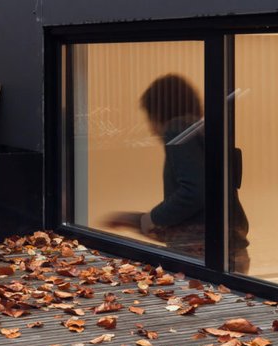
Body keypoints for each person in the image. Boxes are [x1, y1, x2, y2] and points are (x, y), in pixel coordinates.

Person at [103, 74, 250, 275]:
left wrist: (151, 218)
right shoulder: (205, 130)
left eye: (149, 118)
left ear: (159, 112)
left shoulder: (178, 129)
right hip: (233, 252)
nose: (151, 130)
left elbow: (194, 192)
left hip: (202, 254)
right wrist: (137, 220)